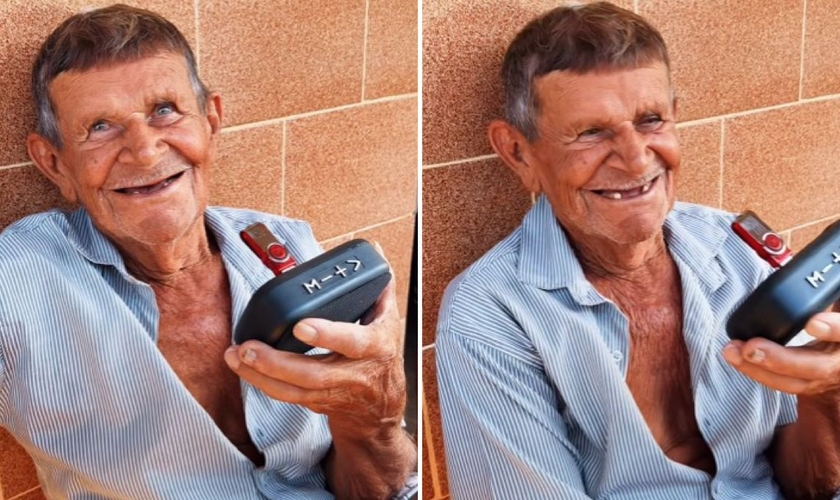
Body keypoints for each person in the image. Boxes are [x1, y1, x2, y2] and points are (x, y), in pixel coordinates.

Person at [0, 4, 416, 499]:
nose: (146, 150)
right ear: (54, 164)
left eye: (164, 111)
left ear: (211, 123)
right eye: (100, 127)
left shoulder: (288, 246)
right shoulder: (18, 284)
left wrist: (374, 423)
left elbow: (374, 484)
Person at [435, 3, 840, 499]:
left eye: (650, 120)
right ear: (518, 153)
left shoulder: (739, 251)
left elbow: (813, 485)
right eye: (591, 132)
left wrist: (828, 391)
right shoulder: (489, 314)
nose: (635, 160)